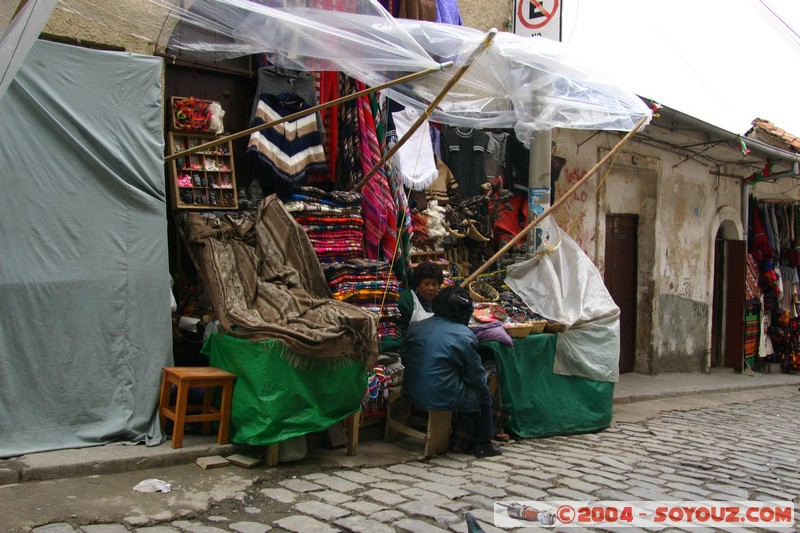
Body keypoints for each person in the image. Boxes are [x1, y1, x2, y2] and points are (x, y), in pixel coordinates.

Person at [400, 285, 502, 458]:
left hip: (410, 388)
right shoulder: (464, 334)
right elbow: (476, 377)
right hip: (439, 394)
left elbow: (404, 357)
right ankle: (483, 443)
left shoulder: (416, 327)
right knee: (483, 389)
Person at [396, 261, 444, 334]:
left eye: (434, 284)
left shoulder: (442, 300)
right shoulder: (406, 299)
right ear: (417, 286)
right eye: (426, 284)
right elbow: (399, 330)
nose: (431, 288)